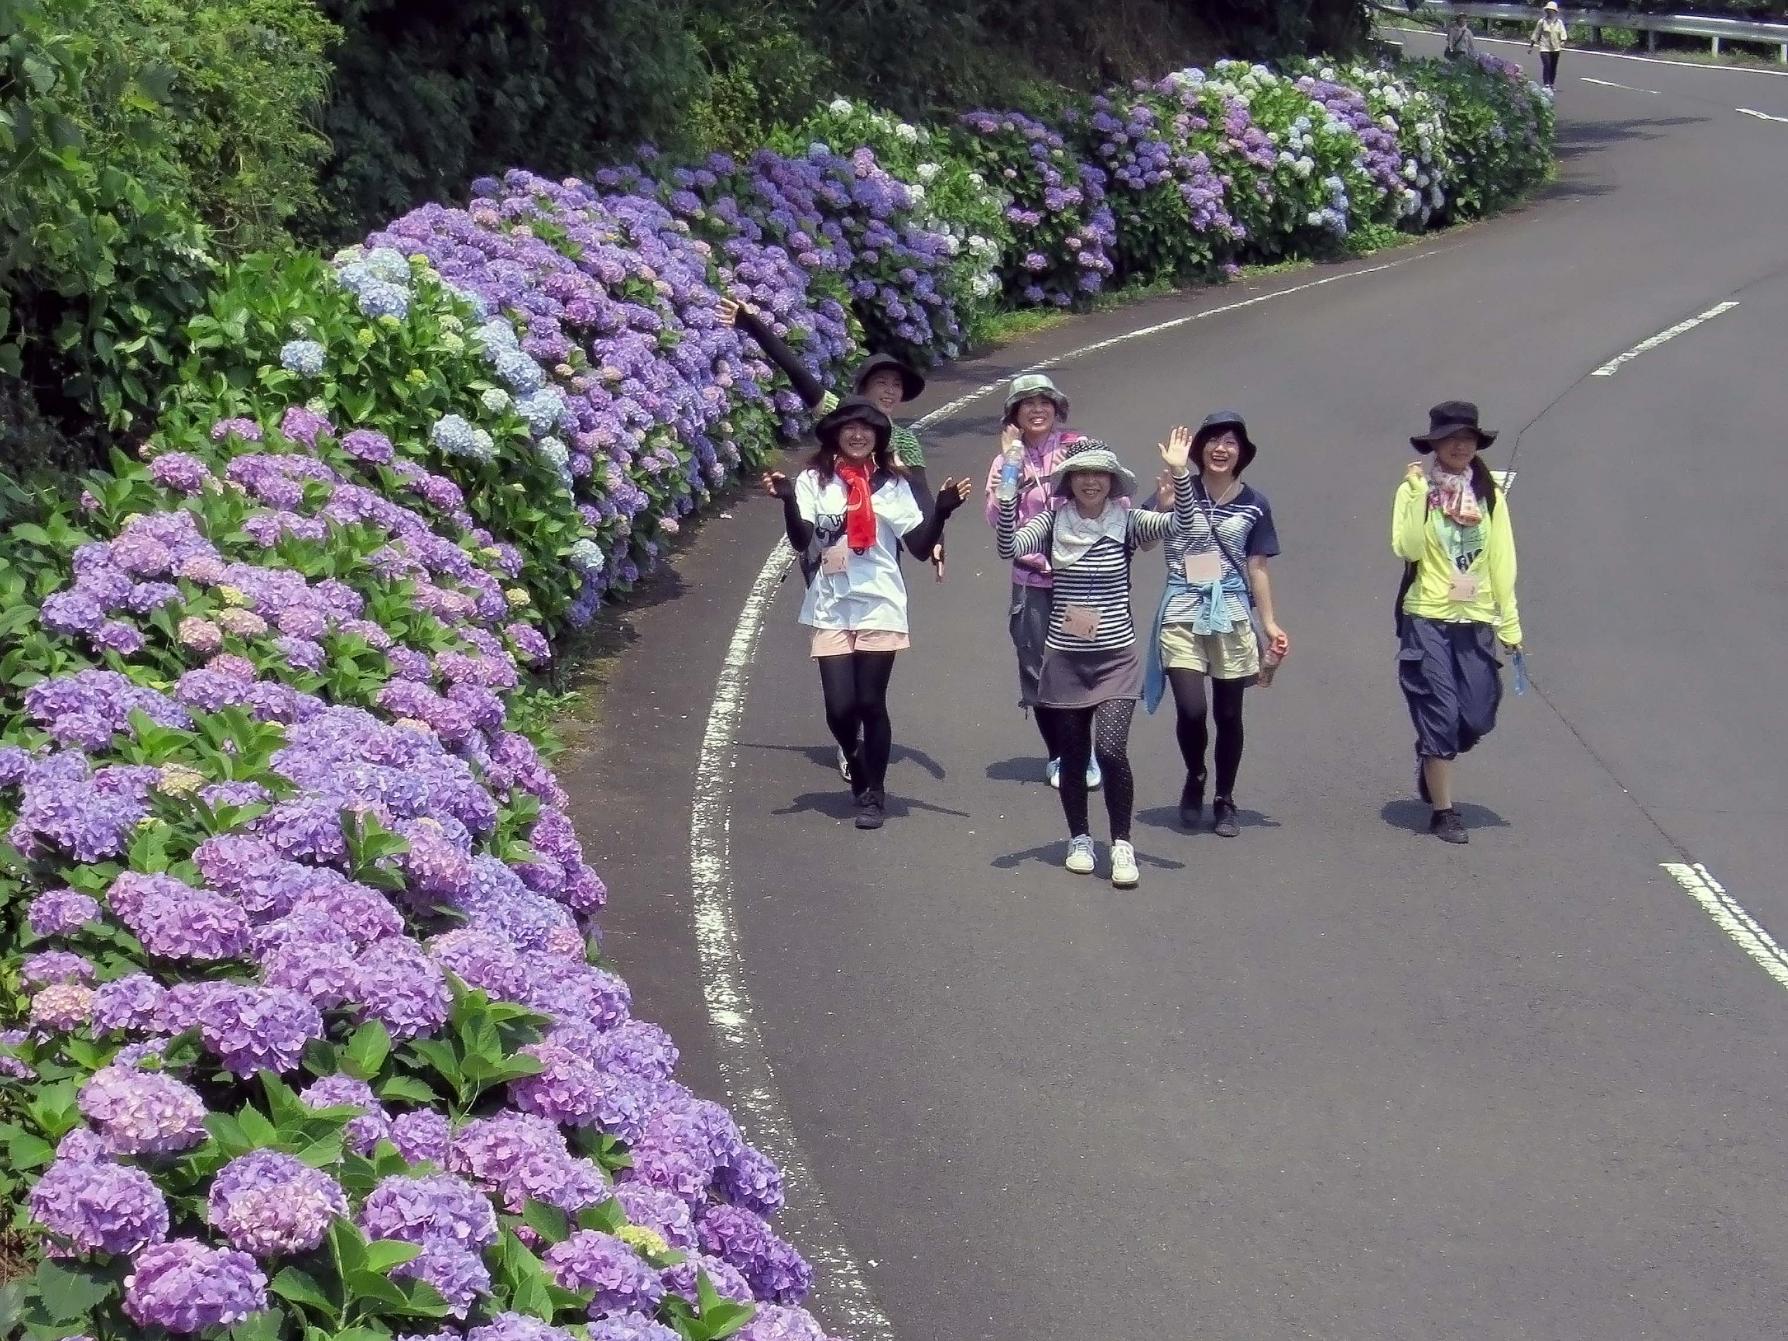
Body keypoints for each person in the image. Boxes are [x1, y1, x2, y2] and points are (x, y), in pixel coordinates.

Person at [720, 295, 944, 784]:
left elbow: (921, 494)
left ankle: (867, 740)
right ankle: (849, 734)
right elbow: (796, 371)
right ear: (861, 387)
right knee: (837, 641)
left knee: (870, 661)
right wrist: (751, 323)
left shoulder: (900, 442)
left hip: (878, 547)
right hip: (827, 546)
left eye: (896, 386)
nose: (888, 391)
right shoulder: (843, 420)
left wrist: (936, 536)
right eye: (880, 383)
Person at [995, 431, 1197, 888]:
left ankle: (1122, 844)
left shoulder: (1127, 522)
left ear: (1112, 481)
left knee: (1109, 750)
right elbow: (1008, 547)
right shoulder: (1050, 523)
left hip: (1115, 660)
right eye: (1082, 474)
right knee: (1072, 756)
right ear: (1070, 481)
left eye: (1100, 475)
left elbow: (1181, 525)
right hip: (1065, 659)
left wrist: (1181, 473)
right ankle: (1079, 838)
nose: (1091, 482)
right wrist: (1009, 481)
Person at [764, 397, 971, 831]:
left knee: (869, 701)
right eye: (849, 428)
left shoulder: (893, 485)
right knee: (839, 709)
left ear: (878, 438)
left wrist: (944, 512)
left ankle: (874, 794)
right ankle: (858, 769)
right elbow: (803, 541)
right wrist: (787, 499)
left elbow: (916, 547)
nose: (858, 435)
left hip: (879, 601)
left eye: (868, 429)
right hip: (831, 601)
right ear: (835, 435)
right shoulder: (813, 481)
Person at [1141, 411, 1288, 837]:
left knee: (1228, 714)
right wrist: (1163, 507)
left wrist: (1270, 623)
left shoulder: (1255, 504)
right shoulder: (1174, 488)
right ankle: (1195, 775)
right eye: (1213, 440)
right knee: (1192, 709)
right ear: (1198, 448)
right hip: (1182, 610)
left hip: (1231, 614)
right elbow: (1146, 542)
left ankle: (1224, 798)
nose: (1221, 449)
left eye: (1231, 442)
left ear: (1241, 453)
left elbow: (1256, 565)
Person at [1392, 401, 1523, 845]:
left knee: (1477, 716)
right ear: (1435, 445)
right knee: (1440, 713)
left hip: (1476, 617)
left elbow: (1502, 560)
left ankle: (1431, 751)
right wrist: (1413, 497)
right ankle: (1443, 810)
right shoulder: (1416, 491)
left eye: (1467, 438)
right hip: (1427, 615)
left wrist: (1510, 624)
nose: (1460, 445)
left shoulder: (1489, 496)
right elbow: (1407, 549)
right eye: (1451, 438)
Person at [982, 373, 1110, 792]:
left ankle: (1084, 751)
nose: (1037, 410)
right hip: (1031, 579)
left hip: (1078, 580)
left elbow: (1112, 499)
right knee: (1038, 670)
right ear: (1014, 414)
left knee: (1079, 665)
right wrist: (1014, 466)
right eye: (1027, 403)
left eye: (1045, 402)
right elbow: (996, 519)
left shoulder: (1078, 446)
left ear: (1057, 409)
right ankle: (1058, 753)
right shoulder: (1006, 461)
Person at [1528, 1, 1568, 89]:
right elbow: (1536, 33)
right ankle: (1546, 84)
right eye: (1548, 10)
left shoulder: (1559, 22)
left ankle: (1551, 83)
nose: (1550, 11)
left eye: (1552, 10)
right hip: (1544, 47)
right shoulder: (1542, 22)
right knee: (1547, 65)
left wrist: (1563, 41)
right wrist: (1531, 46)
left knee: (1553, 67)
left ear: (1555, 11)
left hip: (1556, 48)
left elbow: (1563, 32)